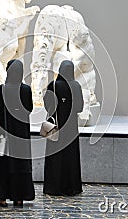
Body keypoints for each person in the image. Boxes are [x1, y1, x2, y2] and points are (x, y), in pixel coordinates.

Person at [0, 59, 35, 207]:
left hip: (4, 134)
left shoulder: (2, 89)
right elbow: (29, 109)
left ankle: (2, 198)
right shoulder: (26, 90)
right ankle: (19, 198)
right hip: (21, 135)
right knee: (20, 166)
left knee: (4, 167)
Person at [43, 60, 84, 196]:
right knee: (70, 157)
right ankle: (71, 187)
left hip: (56, 128)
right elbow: (80, 107)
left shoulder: (53, 85)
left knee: (54, 157)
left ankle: (53, 188)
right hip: (71, 128)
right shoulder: (76, 86)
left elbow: (47, 106)